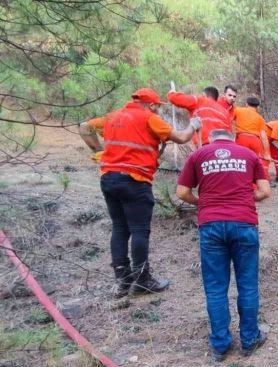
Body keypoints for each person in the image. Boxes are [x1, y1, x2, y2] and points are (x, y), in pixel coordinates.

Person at [79, 88, 200, 297]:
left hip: (109, 178)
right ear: (152, 105)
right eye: (158, 107)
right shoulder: (149, 118)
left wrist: (98, 151)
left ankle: (122, 281)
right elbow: (180, 138)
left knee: (119, 228)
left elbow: (84, 127)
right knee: (139, 230)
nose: (158, 110)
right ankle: (142, 280)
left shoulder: (112, 117)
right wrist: (193, 126)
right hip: (135, 180)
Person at [176, 129, 271, 361]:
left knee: (216, 287)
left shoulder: (199, 155)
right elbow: (265, 191)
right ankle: (249, 340)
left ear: (211, 139)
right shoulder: (248, 155)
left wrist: (203, 203)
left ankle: (220, 344)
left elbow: (181, 192)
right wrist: (245, 199)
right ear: (232, 139)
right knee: (247, 285)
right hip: (244, 224)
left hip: (211, 226)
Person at [168, 86, 233, 148]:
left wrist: (171, 93)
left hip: (205, 145)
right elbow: (230, 133)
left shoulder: (199, 100)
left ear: (204, 95)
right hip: (225, 146)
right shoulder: (225, 111)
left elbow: (176, 99)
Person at [233, 96, 271, 179]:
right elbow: (264, 137)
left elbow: (228, 119)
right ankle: (256, 183)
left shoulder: (238, 110)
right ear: (257, 107)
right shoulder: (260, 118)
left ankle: (241, 181)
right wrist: (267, 153)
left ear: (246, 104)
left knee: (241, 162)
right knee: (255, 162)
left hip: (242, 139)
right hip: (256, 141)